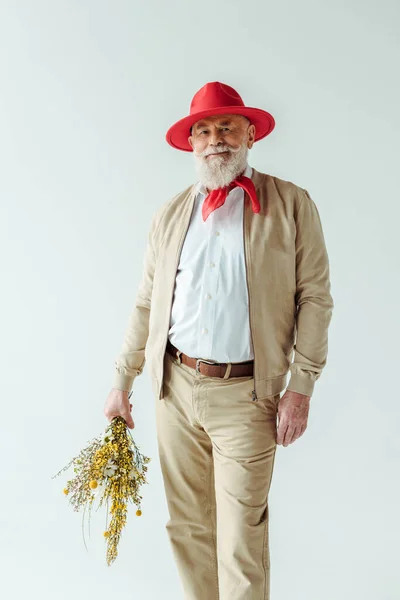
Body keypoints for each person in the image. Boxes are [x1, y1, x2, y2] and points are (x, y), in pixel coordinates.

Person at [104, 81, 334, 599]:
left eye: (227, 127)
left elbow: (315, 299)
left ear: (250, 133)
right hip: (175, 389)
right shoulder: (170, 214)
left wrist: (301, 387)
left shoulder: (291, 204)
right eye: (204, 131)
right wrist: (123, 379)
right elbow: (146, 302)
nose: (216, 140)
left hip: (247, 396)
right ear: (191, 143)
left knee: (240, 541)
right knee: (188, 529)